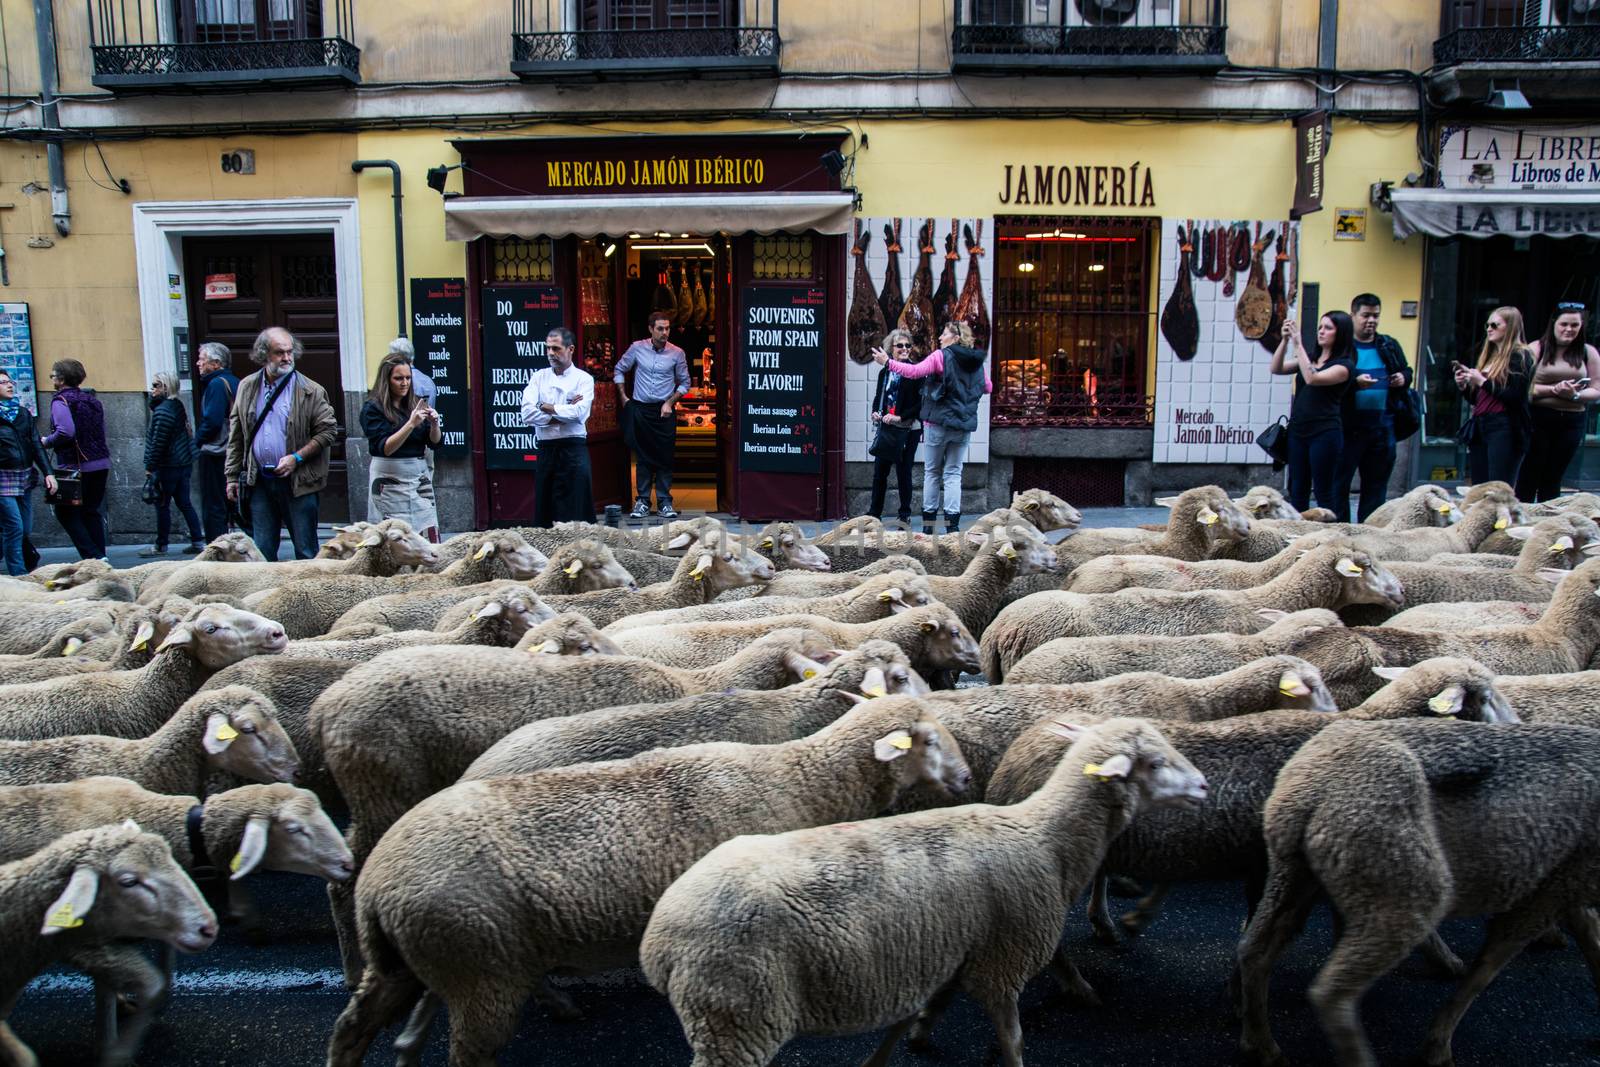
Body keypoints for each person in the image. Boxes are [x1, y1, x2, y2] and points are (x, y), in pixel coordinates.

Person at [225, 326, 339, 561]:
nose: (287, 358)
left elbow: (328, 432)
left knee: (306, 550)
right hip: (260, 482)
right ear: (264, 354)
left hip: (299, 482)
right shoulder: (247, 387)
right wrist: (232, 476)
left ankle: (308, 596)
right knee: (262, 552)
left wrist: (296, 458)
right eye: (280, 352)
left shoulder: (310, 390)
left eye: (290, 352)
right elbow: (236, 435)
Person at [873, 320, 991, 534]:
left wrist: (887, 363)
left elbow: (915, 372)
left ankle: (928, 527)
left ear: (955, 337)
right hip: (963, 425)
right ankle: (952, 526)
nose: (939, 338)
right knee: (954, 473)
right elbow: (988, 387)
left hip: (937, 423)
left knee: (932, 472)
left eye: (944, 333)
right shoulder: (975, 361)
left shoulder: (941, 356)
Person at [1333, 293, 1412, 522]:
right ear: (1353, 316)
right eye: (1366, 315)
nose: (1371, 321)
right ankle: (1340, 532)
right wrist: (1354, 382)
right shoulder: (1342, 347)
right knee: (1339, 486)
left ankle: (1370, 534)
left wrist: (1402, 378)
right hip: (1348, 429)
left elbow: (1407, 371)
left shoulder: (1388, 344)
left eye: (1376, 316)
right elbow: (1328, 379)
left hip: (1382, 428)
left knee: (1376, 491)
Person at [1272, 312, 1355, 514]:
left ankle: (1328, 536)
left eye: (1328, 328)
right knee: (1297, 490)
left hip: (1325, 433)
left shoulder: (1344, 366)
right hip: (1298, 432)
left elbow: (1313, 378)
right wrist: (1284, 341)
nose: (1321, 332)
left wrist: (1298, 344)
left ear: (1341, 333)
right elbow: (1276, 368)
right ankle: (1298, 534)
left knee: (1323, 491)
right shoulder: (1310, 358)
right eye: (1320, 327)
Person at [1517, 302, 1600, 503]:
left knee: (1554, 476)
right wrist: (1554, 390)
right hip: (1538, 418)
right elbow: (1520, 389)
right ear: (1553, 323)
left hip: (1572, 420)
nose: (1569, 330)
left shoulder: (1588, 352)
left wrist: (1574, 396)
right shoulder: (1535, 349)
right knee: (1529, 473)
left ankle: (1549, 522)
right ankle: (1522, 521)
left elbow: (1596, 389)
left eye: (1574, 325)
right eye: (1564, 324)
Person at [614, 310, 689, 519]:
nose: (665, 332)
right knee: (643, 458)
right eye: (660, 329)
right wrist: (623, 398)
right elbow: (619, 369)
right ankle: (643, 501)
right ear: (650, 329)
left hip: (664, 412)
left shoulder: (677, 353)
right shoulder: (637, 348)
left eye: (667, 328)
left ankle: (665, 502)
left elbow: (685, 383)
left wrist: (670, 402)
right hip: (641, 410)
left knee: (665, 457)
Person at [360, 352, 441, 540]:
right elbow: (385, 448)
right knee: (391, 536)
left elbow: (434, 443)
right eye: (398, 378)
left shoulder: (414, 403)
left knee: (425, 534)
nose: (404, 383)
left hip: (418, 479)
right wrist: (411, 423)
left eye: (407, 378)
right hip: (388, 478)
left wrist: (435, 424)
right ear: (386, 379)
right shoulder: (372, 408)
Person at [520, 327, 595, 527]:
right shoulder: (538, 377)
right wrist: (563, 413)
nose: (551, 353)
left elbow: (579, 413)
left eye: (556, 348)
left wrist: (546, 407)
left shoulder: (583, 379)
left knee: (576, 509)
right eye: (548, 348)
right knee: (546, 509)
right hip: (547, 449)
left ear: (570, 349)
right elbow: (527, 413)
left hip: (573, 450)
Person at [1454, 306, 1534, 487]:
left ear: (1510, 327)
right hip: (1482, 424)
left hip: (1504, 425)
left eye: (1495, 325)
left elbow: (1515, 396)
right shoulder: (1491, 356)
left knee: (1498, 487)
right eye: (1487, 325)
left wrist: (1482, 381)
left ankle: (1502, 516)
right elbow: (1480, 401)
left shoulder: (1520, 355)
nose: (1489, 329)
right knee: (1480, 486)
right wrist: (1464, 386)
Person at [41, 359, 110, 561]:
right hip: (101, 461)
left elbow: (66, 431)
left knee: (66, 514)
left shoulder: (60, 401)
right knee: (91, 512)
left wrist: (47, 441)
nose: (52, 379)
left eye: (53, 375)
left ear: (61, 379)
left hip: (76, 465)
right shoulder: (92, 400)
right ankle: (101, 558)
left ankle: (94, 557)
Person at [141, 371, 204, 557]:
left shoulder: (163, 412)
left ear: (165, 388)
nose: (152, 389)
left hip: (168, 465)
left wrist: (150, 467)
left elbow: (158, 443)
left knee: (162, 504)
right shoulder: (175, 405)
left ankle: (161, 545)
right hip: (182, 462)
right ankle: (197, 541)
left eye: (156, 385)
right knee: (184, 503)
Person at [866, 328, 924, 527]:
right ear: (892, 348)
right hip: (888, 429)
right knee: (880, 471)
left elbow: (920, 404)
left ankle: (904, 514)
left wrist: (900, 416)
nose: (905, 349)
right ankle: (874, 514)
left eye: (908, 345)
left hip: (909, 429)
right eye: (900, 345)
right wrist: (876, 411)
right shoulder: (885, 372)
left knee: (903, 471)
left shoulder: (916, 372)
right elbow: (878, 397)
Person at [0, 370, 55, 576]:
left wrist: (48, 473)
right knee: (14, 526)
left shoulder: (22, 413)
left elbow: (35, 444)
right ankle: (19, 574)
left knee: (24, 528)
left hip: (24, 476)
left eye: (9, 381)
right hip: (2, 478)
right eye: (3, 382)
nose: (9, 385)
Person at [194, 341, 239, 542]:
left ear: (216, 363)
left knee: (214, 504)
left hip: (217, 451)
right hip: (233, 450)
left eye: (202, 359)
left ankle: (216, 548)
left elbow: (212, 420)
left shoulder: (216, 384)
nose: (197, 363)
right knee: (233, 502)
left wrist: (196, 441)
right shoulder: (235, 381)